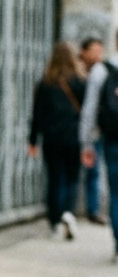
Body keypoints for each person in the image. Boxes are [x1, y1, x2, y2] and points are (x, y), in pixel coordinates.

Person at [29, 42, 85, 238]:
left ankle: (54, 221)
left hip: (52, 138)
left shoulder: (46, 83)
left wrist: (33, 140)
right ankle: (68, 212)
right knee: (72, 178)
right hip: (73, 137)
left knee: (55, 178)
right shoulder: (79, 81)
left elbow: (37, 114)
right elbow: (86, 113)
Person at [80, 31, 118, 259]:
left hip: (113, 140)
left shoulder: (101, 71)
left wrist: (86, 143)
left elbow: (89, 110)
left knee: (116, 193)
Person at [77, 36, 107, 223]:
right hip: (82, 129)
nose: (97, 55)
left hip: (95, 130)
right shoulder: (82, 72)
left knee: (94, 171)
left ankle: (93, 209)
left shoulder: (100, 71)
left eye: (100, 50)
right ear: (84, 52)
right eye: (94, 50)